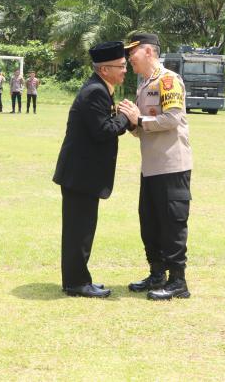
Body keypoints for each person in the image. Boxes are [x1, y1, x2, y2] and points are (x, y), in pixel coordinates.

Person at [118, 32, 194, 301]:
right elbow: (142, 129)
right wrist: (129, 121)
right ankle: (157, 274)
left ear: (149, 52)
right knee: (149, 223)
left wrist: (139, 120)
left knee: (172, 224)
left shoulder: (168, 80)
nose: (129, 58)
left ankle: (178, 282)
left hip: (172, 166)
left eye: (133, 52)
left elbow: (172, 119)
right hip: (151, 167)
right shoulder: (144, 85)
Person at [53, 41, 131, 298]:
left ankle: (78, 279)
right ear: (105, 69)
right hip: (80, 175)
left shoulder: (100, 88)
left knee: (82, 229)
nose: (125, 70)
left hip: (83, 174)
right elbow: (103, 131)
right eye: (120, 66)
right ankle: (76, 283)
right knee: (79, 231)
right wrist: (125, 118)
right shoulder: (95, 91)